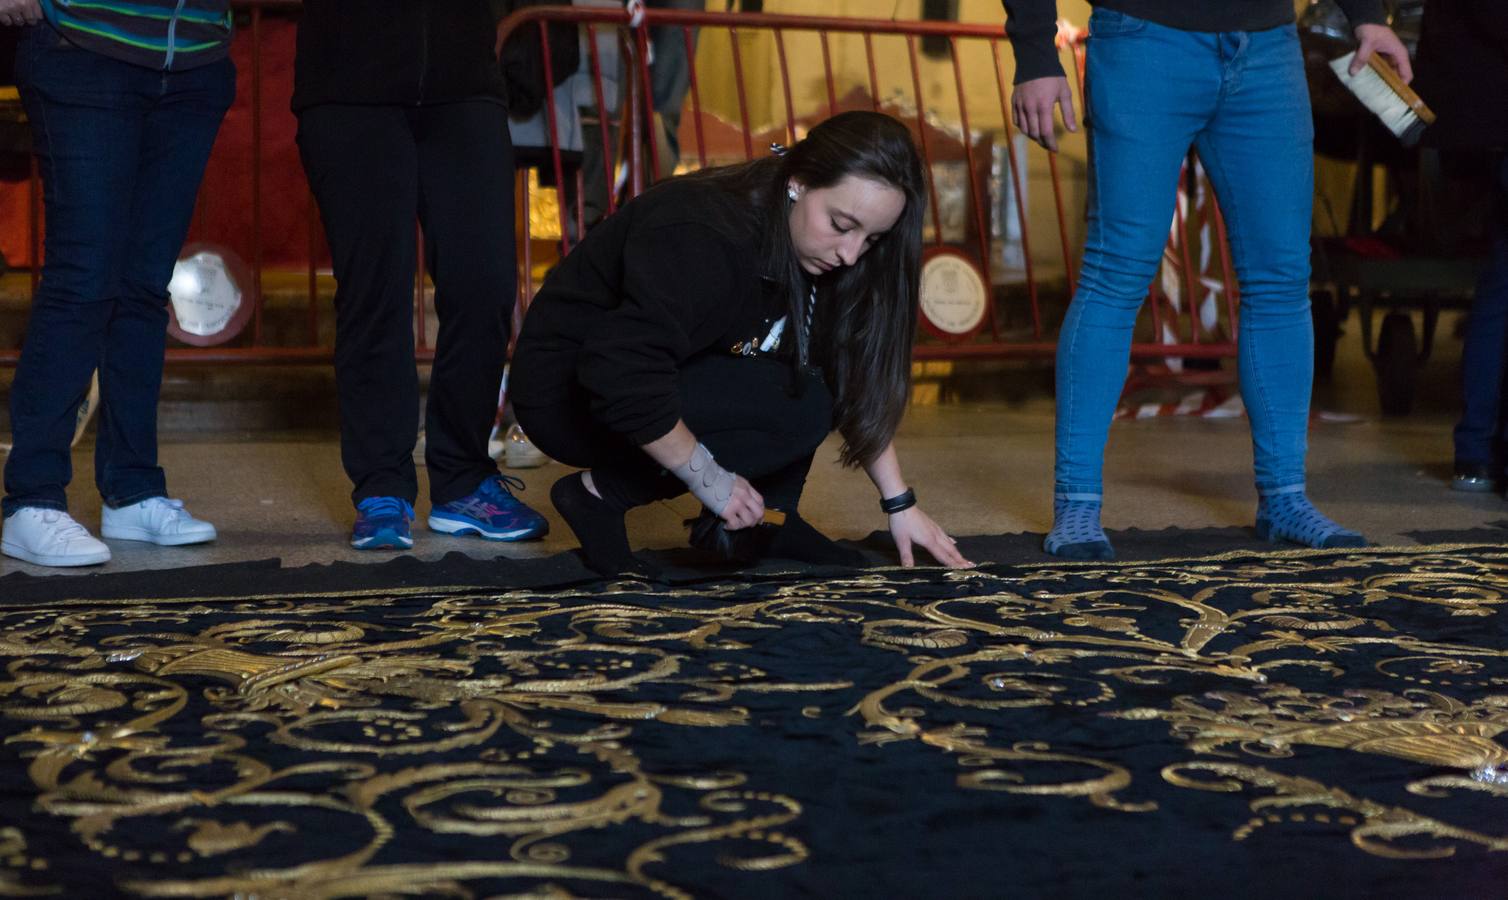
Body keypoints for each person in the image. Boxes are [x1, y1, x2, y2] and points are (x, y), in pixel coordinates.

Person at [1003, 0, 1410, 559]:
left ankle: (1285, 498)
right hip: (1143, 38)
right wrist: (1033, 52)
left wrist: (1366, 15)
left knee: (1282, 278)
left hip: (1267, 44)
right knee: (1115, 272)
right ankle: (1077, 505)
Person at [510, 111, 971, 576]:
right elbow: (623, 370)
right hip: (570, 389)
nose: (850, 253)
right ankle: (598, 496)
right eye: (840, 223)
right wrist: (712, 482)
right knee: (788, 395)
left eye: (871, 238)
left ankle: (768, 521)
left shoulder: (825, 250)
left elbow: (848, 375)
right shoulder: (705, 232)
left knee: (807, 394)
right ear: (799, 182)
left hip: (660, 371)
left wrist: (900, 504)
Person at [293, 1, 548, 551]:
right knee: (375, 293)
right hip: (350, 87)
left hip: (464, 84)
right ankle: (381, 487)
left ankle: (463, 480)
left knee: (486, 284)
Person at [0, 0, 233, 567]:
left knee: (145, 285)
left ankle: (132, 488)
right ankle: (31, 496)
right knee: (83, 277)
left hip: (195, 55)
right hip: (84, 42)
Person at [1411, 2, 1508, 493]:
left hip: (1475, 113)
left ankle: (1477, 451)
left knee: (1500, 285)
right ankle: (1480, 449)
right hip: (1489, 109)